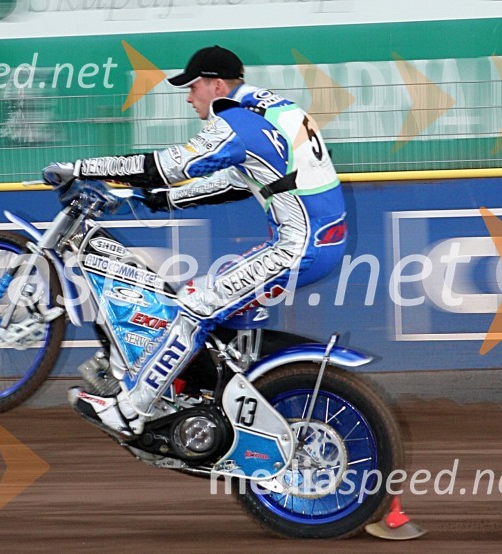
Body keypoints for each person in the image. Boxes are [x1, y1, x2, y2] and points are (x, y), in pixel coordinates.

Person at [43, 45, 346, 438]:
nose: (189, 97)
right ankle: (227, 398)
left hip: (299, 249)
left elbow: (162, 167)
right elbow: (237, 183)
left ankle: (132, 410)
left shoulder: (237, 123)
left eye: (193, 87)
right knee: (216, 306)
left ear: (217, 85)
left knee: (193, 306)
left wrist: (80, 168)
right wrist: (148, 199)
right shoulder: (275, 110)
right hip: (318, 242)